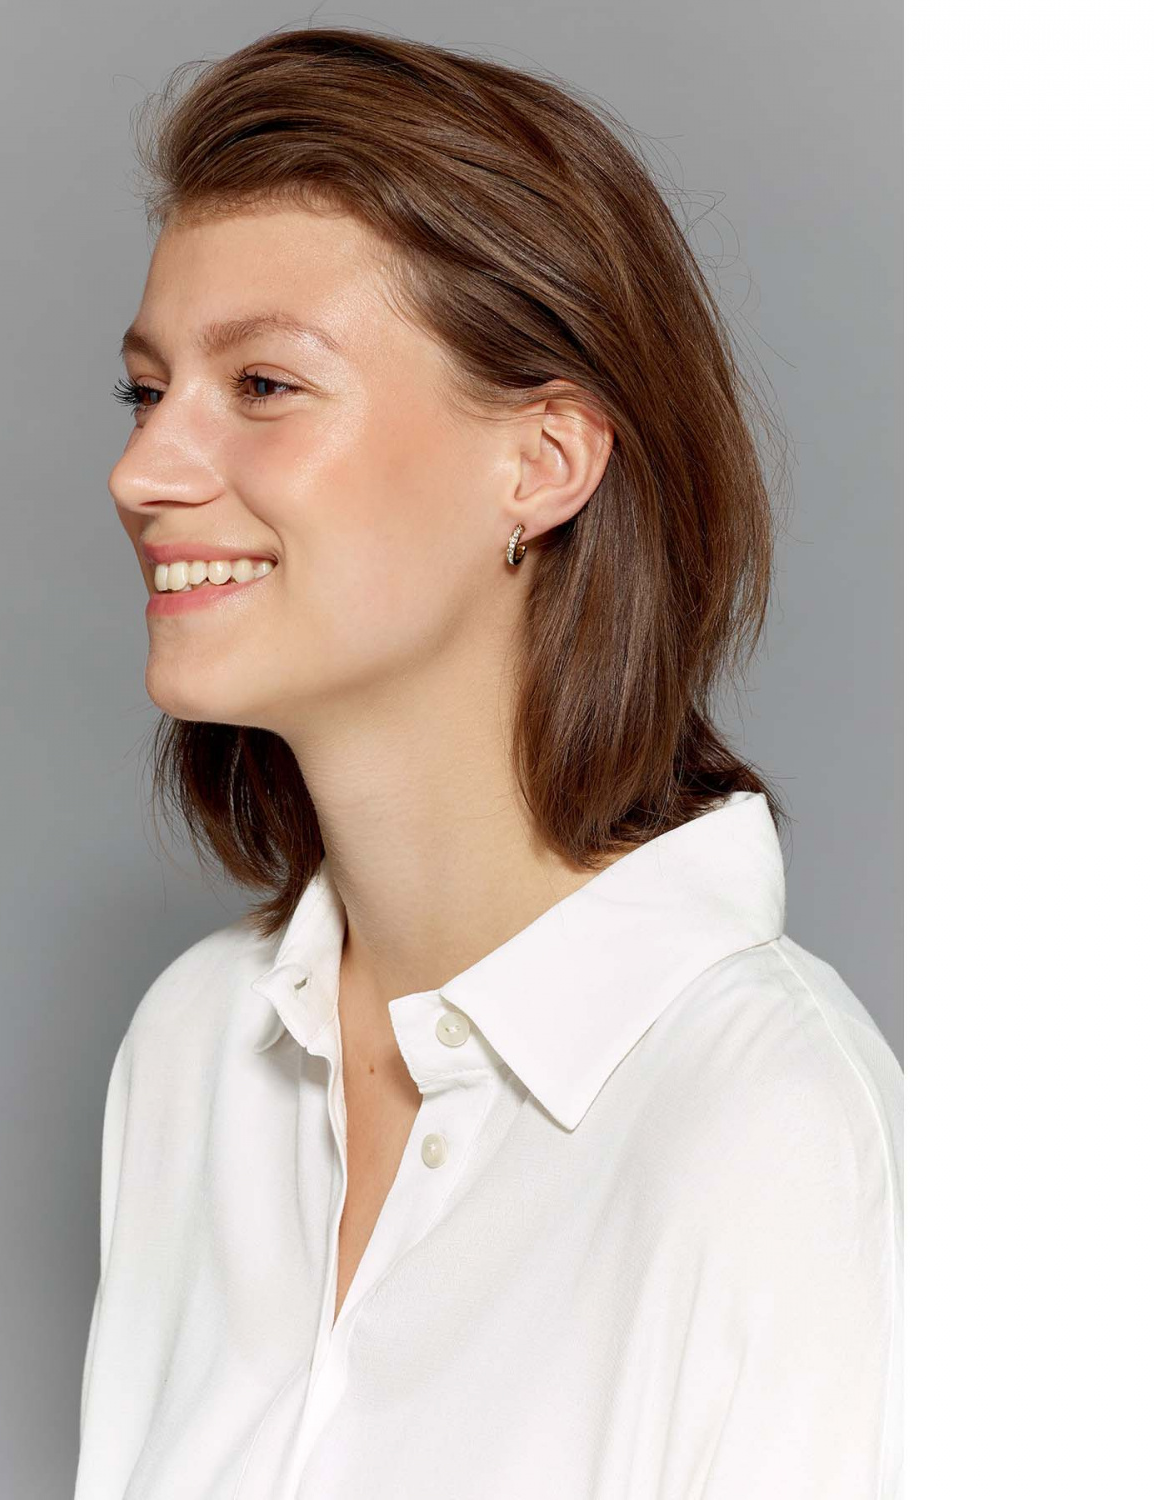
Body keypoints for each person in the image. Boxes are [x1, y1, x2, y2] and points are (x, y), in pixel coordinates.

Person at [76, 24, 901, 1500]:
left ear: (543, 462)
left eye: (262, 385)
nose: (143, 471)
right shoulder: (195, 1050)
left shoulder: (774, 1124)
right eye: (149, 391)